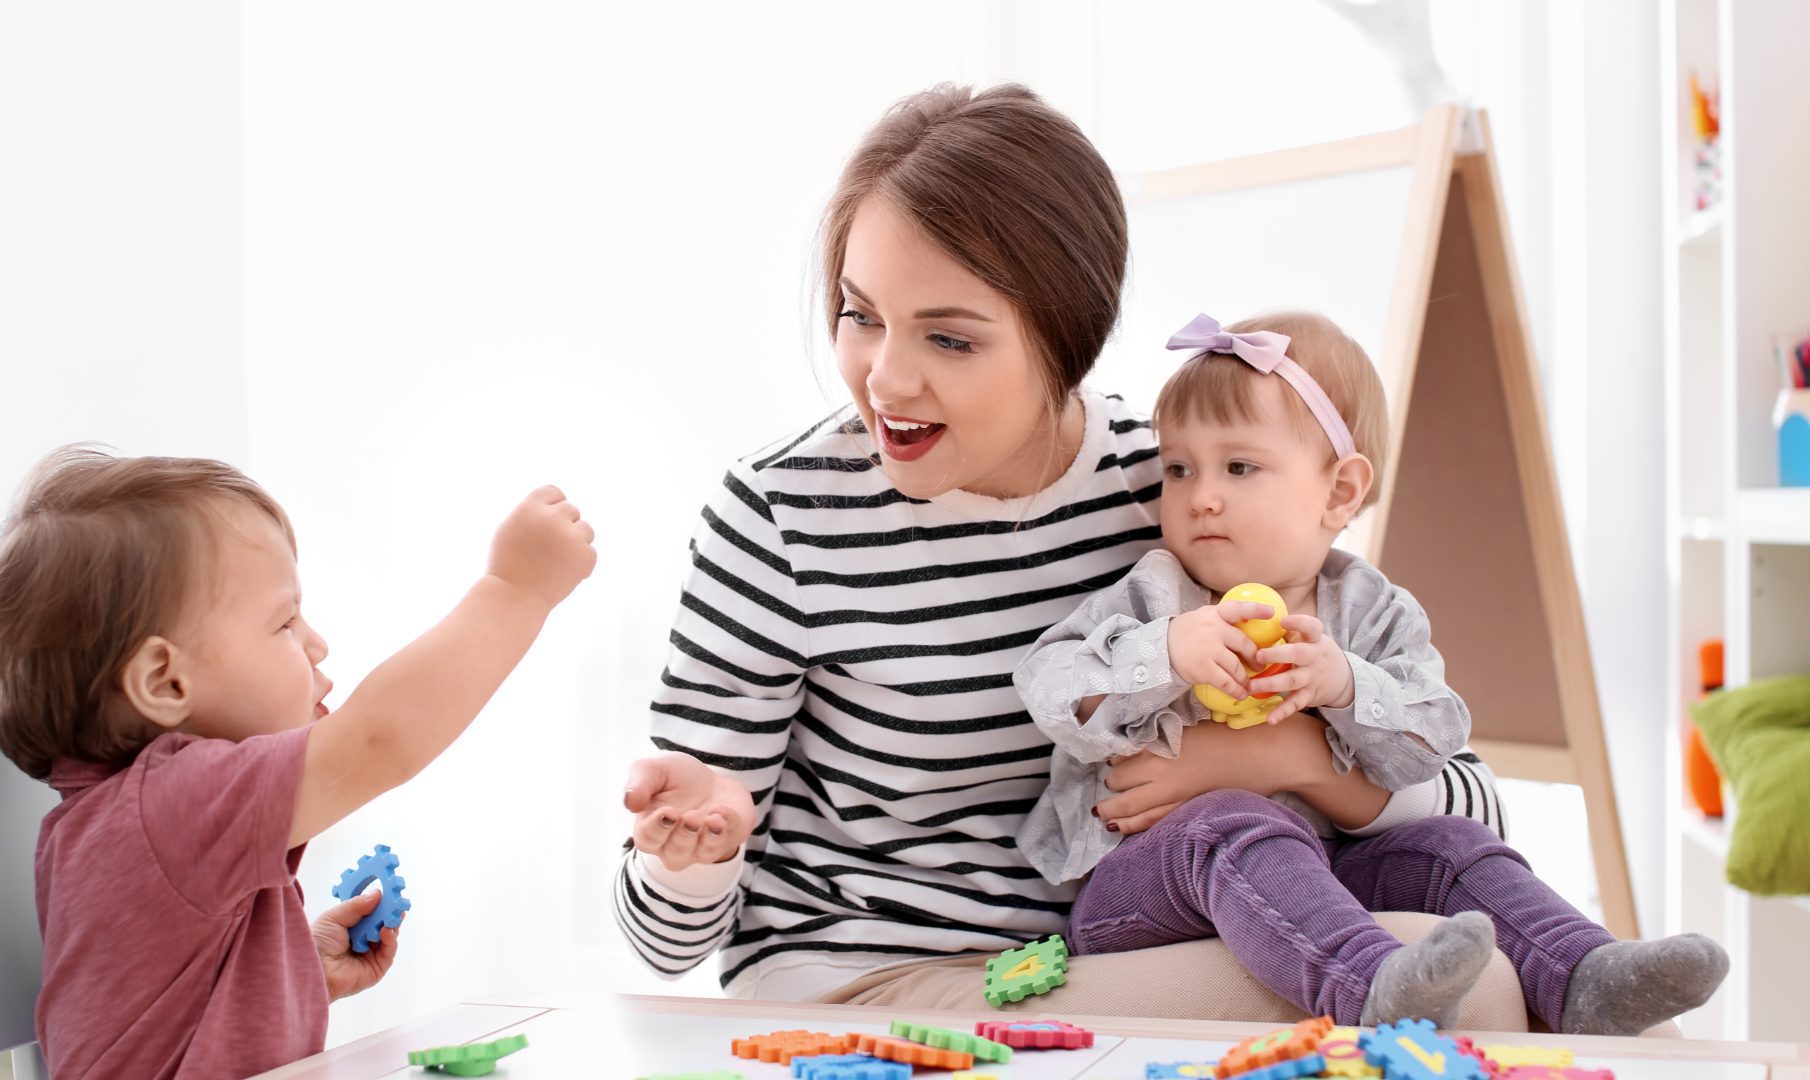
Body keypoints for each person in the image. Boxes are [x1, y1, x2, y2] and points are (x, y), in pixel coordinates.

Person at [611, 83, 1523, 1018]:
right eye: (860, 314)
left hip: (1084, 956)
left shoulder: (1177, 491)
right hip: (862, 981)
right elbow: (664, 944)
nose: (885, 377)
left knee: (1476, 970)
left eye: (950, 337)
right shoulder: (780, 514)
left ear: (1068, 342)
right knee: (1454, 993)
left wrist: (1282, 761)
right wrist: (696, 852)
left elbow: (1473, 806)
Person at [1015, 311, 1729, 1035]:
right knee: (1235, 824)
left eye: (1239, 467)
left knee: (1455, 848)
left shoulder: (1372, 611)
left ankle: (1584, 975)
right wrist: (1164, 651)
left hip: (1324, 877)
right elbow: (1046, 684)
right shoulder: (1157, 594)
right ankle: (1369, 985)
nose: (1200, 495)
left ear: (1340, 492)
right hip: (1142, 888)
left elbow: (1436, 740)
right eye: (1178, 469)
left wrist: (1348, 686)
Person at [0, 447, 594, 1079]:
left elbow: (169, 1020)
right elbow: (381, 738)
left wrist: (298, 968)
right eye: (285, 621)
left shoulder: (136, 826)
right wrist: (515, 589)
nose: (317, 642)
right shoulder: (168, 806)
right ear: (165, 682)